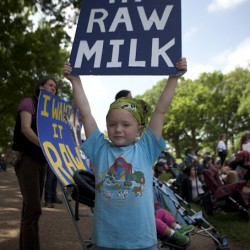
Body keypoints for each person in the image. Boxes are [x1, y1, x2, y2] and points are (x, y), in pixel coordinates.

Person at [63, 57, 187, 250]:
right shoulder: (100, 148)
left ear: (139, 130)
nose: (118, 129)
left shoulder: (145, 150)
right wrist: (75, 81)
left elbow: (160, 112)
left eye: (126, 125)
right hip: (105, 242)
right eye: (112, 125)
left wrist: (173, 78)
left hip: (143, 243)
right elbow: (85, 113)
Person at [12, 77, 58, 250]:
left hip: (42, 161)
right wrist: (45, 145)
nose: (53, 88)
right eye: (50, 85)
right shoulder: (28, 103)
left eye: (55, 87)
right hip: (27, 159)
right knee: (33, 209)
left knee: (30, 207)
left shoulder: (52, 111)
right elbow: (25, 129)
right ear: (40, 86)